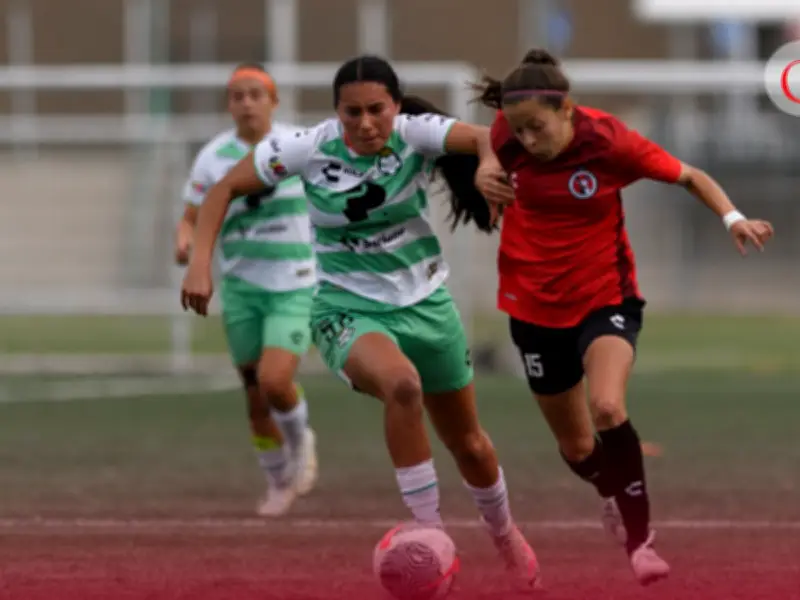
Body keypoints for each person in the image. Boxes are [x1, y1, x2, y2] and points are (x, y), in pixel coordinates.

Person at [181, 54, 541, 592]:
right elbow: (222, 190)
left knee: (470, 445)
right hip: (346, 307)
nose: (366, 124)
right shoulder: (305, 147)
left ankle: (505, 533)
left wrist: (488, 162)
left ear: (396, 107)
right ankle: (429, 534)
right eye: (353, 114)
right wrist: (200, 262)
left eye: (377, 110)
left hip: (426, 305)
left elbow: (486, 137)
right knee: (402, 385)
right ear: (336, 113)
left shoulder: (418, 134)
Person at [474, 49, 775, 586]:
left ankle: (641, 542)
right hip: (533, 308)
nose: (527, 141)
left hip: (603, 298)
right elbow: (483, 141)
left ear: (567, 110)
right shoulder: (505, 133)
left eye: (537, 128)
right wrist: (486, 166)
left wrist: (733, 217)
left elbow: (690, 175)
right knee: (578, 448)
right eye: (518, 131)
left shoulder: (610, 142)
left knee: (608, 407)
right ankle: (611, 491)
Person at [175, 63, 319, 518]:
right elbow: (192, 215)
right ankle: (277, 481)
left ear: (274, 102)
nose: (247, 103)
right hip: (241, 288)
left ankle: (302, 443)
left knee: (275, 380)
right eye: (238, 96)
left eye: (256, 94)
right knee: (254, 396)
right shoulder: (213, 157)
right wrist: (184, 241)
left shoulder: (300, 144)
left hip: (295, 283)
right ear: (229, 105)